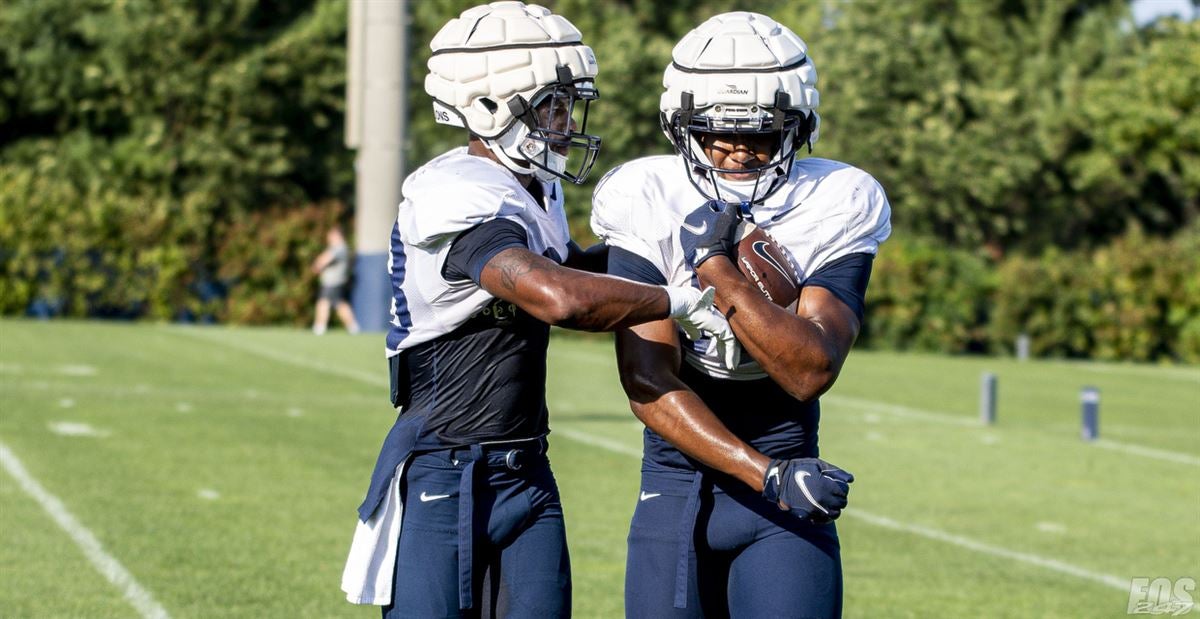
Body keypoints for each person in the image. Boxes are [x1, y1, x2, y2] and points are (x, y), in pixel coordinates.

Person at [340, 3, 735, 617]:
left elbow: (576, 264)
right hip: (446, 470)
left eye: (565, 105)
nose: (562, 122)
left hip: (525, 468)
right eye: (549, 104)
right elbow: (558, 296)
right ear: (487, 107)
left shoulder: (532, 186)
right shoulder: (454, 191)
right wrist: (676, 300)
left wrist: (669, 247)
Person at [591, 12, 892, 618]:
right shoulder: (644, 193)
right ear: (682, 129)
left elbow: (810, 369)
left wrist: (716, 267)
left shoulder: (836, 198)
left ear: (797, 127)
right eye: (716, 138)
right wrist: (767, 474)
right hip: (678, 487)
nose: (735, 157)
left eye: (757, 137)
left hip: (786, 486)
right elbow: (648, 380)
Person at [311, 225, 360, 335]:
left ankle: (319, 327)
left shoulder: (340, 248)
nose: (329, 238)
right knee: (339, 304)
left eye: (331, 235)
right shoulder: (341, 248)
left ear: (337, 235)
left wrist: (317, 266)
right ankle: (353, 327)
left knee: (323, 303)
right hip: (335, 282)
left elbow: (325, 259)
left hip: (332, 282)